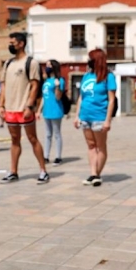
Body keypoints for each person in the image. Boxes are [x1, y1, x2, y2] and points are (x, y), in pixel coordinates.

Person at [0, 32, 49, 184]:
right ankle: (13, 171)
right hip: (10, 109)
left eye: (13, 42)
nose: (10, 45)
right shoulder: (8, 64)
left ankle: (43, 171)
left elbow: (34, 85)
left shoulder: (31, 63)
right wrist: (1, 105)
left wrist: (29, 105)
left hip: (24, 108)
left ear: (21, 44)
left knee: (32, 139)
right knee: (14, 140)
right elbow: (4, 85)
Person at [74, 49, 116, 187]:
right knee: (91, 145)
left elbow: (111, 100)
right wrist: (77, 115)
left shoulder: (108, 77)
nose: (88, 61)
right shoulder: (86, 76)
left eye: (90, 59)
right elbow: (81, 97)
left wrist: (108, 120)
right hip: (85, 116)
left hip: (99, 117)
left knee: (101, 146)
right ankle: (93, 173)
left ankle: (96, 174)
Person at [37, 59, 65, 165]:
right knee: (47, 134)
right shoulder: (46, 81)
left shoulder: (59, 80)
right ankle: (46, 156)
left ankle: (58, 156)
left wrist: (57, 86)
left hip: (56, 110)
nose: (47, 67)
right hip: (47, 111)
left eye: (49, 65)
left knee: (57, 134)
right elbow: (44, 97)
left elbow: (58, 97)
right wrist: (39, 110)